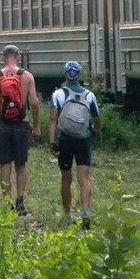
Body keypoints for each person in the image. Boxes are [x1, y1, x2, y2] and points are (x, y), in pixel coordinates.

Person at [0, 44, 40, 214]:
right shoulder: (27, 76)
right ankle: (20, 200)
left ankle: (7, 203)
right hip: (22, 125)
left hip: (3, 126)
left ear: (3, 57)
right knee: (21, 165)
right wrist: (36, 126)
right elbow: (35, 103)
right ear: (19, 57)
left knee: (5, 165)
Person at [48, 61, 101, 229]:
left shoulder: (59, 94)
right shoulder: (89, 95)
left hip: (65, 139)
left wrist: (52, 142)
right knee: (84, 178)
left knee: (66, 178)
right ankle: (85, 212)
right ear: (80, 75)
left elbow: (52, 119)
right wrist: (93, 130)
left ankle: (67, 214)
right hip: (83, 139)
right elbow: (97, 120)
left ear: (65, 75)